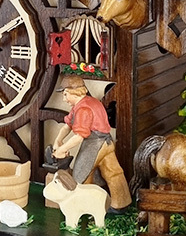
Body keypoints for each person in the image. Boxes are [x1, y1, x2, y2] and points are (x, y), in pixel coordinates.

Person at [51, 75, 132, 211]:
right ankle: (121, 204)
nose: (64, 99)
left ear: (75, 92)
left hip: (95, 144)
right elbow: (67, 125)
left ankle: (87, 206)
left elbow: (79, 137)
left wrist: (61, 150)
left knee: (81, 174)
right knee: (113, 172)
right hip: (107, 143)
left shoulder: (83, 110)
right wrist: (58, 140)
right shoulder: (88, 102)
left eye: (65, 94)